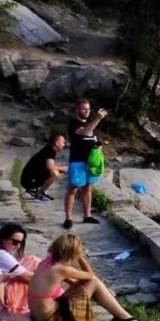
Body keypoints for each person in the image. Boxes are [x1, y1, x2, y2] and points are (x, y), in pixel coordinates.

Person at [28, 234, 140, 321]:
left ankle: (121, 316)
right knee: (95, 282)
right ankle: (125, 317)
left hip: (39, 316)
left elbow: (71, 282)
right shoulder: (62, 269)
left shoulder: (45, 263)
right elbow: (91, 276)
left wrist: (86, 289)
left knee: (90, 285)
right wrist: (80, 258)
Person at [62, 98, 108, 231]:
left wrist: (98, 147)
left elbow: (95, 139)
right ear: (77, 109)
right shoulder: (74, 123)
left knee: (88, 188)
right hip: (77, 160)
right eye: (84, 109)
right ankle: (68, 218)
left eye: (88, 109)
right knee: (73, 189)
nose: (87, 111)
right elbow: (83, 132)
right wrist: (98, 119)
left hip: (89, 162)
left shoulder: (90, 124)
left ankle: (87, 215)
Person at [0, 222, 42, 314]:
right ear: (3, 238)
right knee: (32, 266)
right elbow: (29, 277)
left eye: (21, 242)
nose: (18, 246)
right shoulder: (1, 254)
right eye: (15, 242)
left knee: (32, 260)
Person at [20, 134, 67, 201]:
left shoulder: (49, 149)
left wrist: (62, 169)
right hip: (29, 181)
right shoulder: (50, 151)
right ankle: (38, 192)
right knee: (55, 173)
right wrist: (63, 168)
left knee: (56, 171)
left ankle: (42, 191)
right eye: (63, 142)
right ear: (56, 143)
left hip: (29, 178)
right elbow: (50, 166)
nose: (64, 144)